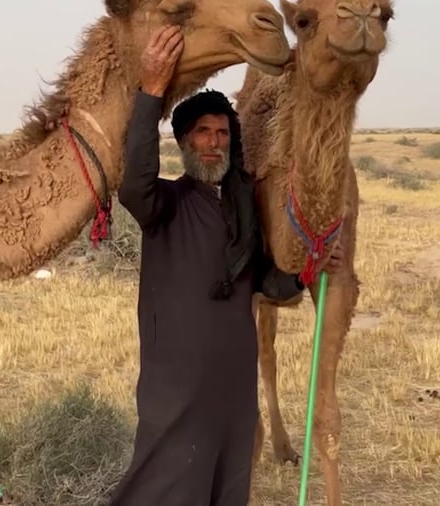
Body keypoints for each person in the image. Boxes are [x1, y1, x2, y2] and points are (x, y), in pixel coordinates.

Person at [107, 25, 343, 506]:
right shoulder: (164, 205)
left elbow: (272, 285)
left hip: (234, 385)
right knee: (165, 484)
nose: (213, 142)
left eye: (221, 133)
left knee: (228, 484)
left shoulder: (242, 222)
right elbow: (133, 182)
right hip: (177, 385)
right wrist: (152, 90)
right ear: (184, 142)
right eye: (202, 133)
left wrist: (310, 265)